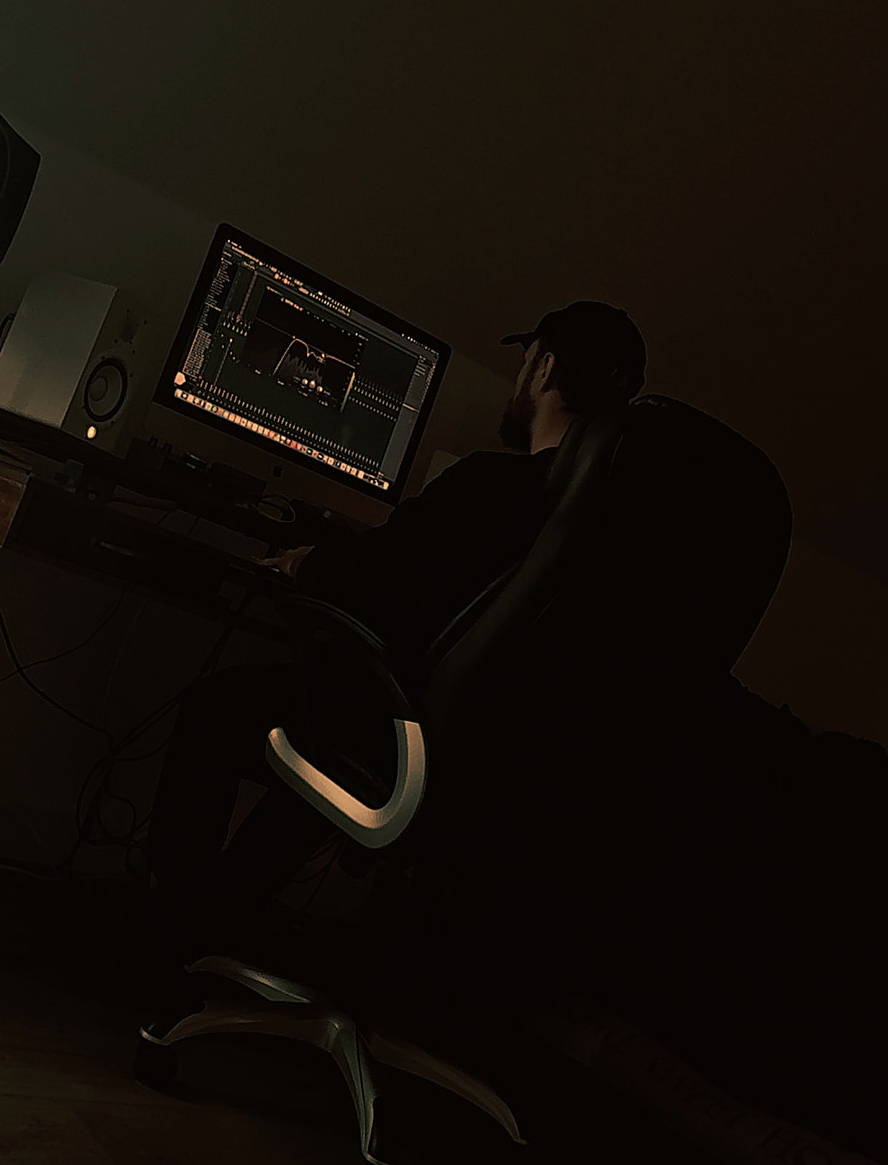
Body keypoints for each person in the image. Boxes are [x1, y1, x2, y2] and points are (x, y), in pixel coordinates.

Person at [137, 301, 648, 965]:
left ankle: (167, 933)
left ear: (545, 367)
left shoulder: (493, 482)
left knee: (222, 710)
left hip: (404, 736)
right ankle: (213, 924)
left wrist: (308, 562)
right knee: (322, 751)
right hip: (496, 776)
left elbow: (376, 574)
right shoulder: (603, 538)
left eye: (524, 364)